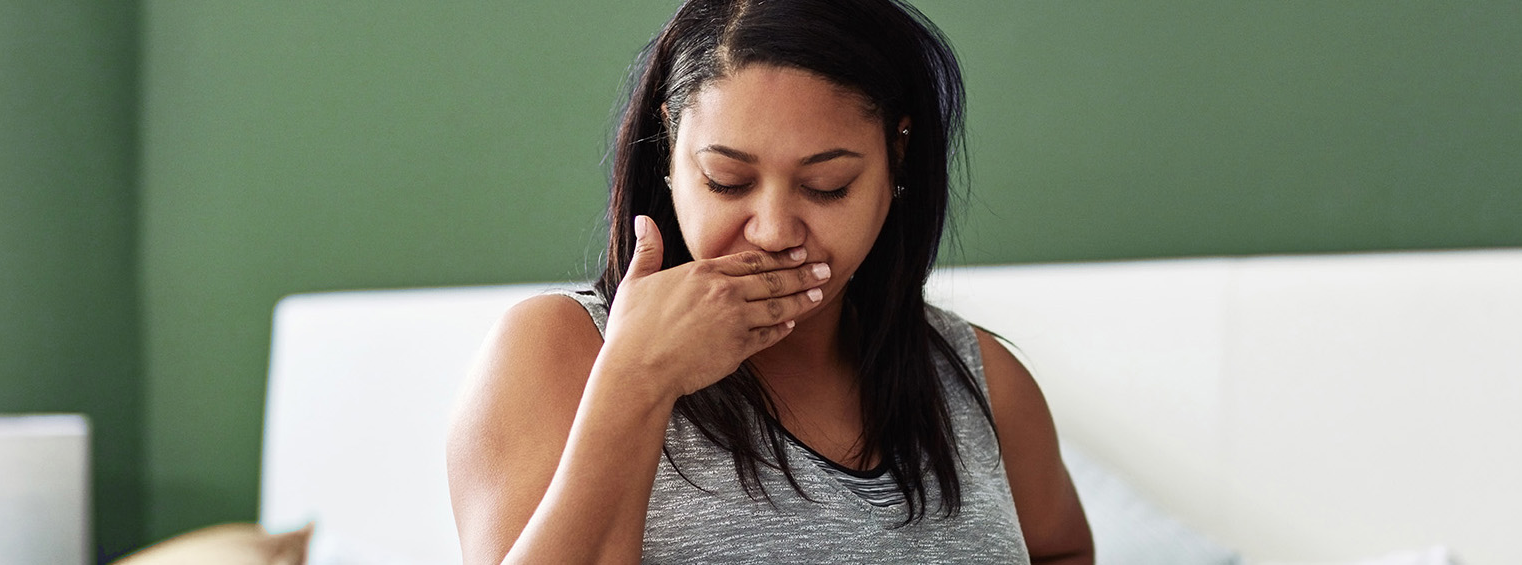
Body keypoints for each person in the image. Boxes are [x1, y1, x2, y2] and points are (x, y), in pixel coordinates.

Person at [447, 0, 1093, 562]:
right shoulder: (556, 351)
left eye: (827, 186)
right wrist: (637, 379)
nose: (774, 231)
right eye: (727, 182)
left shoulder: (979, 378)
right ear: (669, 145)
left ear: (897, 156)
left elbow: (1062, 547)